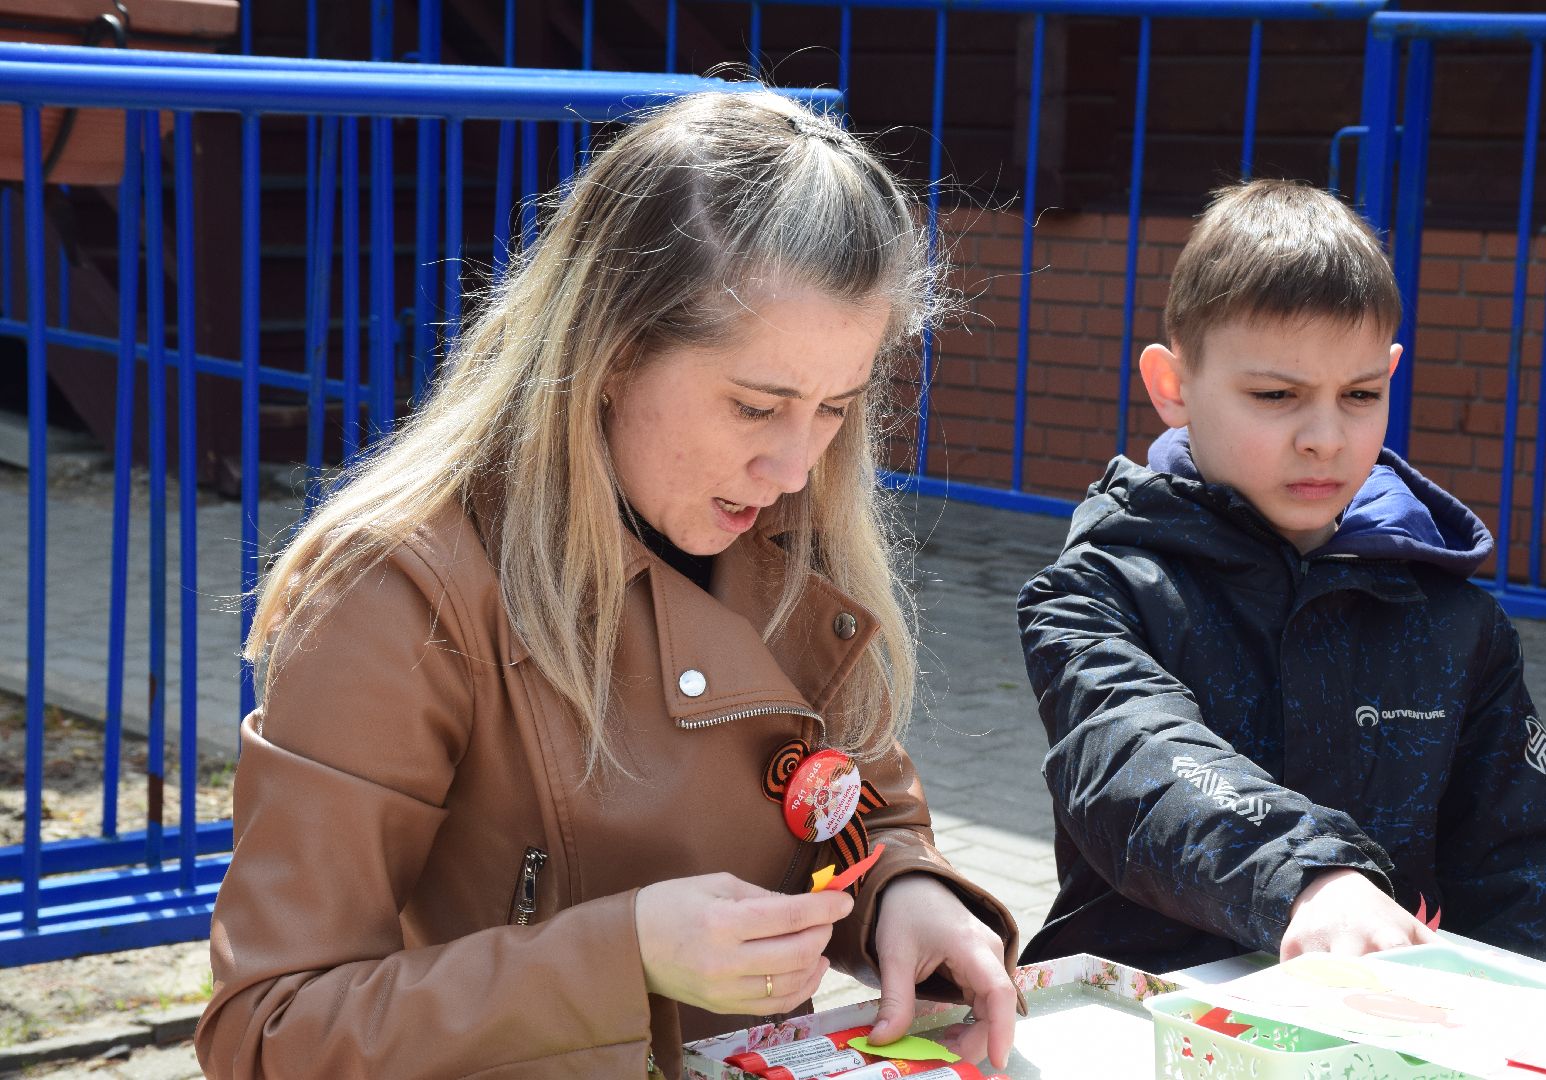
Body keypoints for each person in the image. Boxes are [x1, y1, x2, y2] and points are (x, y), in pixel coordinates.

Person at [196, 90, 1019, 1079]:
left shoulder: (796, 537)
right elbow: (270, 1030)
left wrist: (902, 893)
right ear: (613, 354)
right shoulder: (398, 588)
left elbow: (854, 804)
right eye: (757, 407)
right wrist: (618, 952)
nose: (797, 466)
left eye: (837, 407)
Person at [1017, 179, 1546, 977]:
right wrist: (1310, 877)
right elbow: (1131, 759)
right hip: (1146, 1013)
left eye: (1360, 394)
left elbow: (1525, 867)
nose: (1324, 437)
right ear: (1173, 387)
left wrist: (1539, 1023)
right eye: (1276, 396)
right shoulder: (1097, 592)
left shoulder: (1457, 623)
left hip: (1385, 1030)